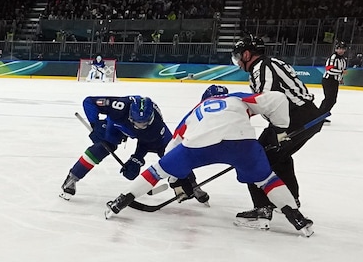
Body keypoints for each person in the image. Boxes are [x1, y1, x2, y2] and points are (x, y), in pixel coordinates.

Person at [105, 84, 311, 235]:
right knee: (266, 179)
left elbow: (172, 146)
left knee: (157, 170)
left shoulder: (194, 111)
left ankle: (120, 201)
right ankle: (297, 219)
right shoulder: (237, 98)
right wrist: (278, 129)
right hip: (242, 142)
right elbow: (278, 98)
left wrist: (177, 178)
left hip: (197, 146)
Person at [231, 37, 322, 221]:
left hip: (295, 119)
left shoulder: (263, 68)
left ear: (247, 54)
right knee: (279, 157)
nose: (238, 61)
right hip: (304, 116)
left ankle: (263, 208)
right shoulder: (268, 64)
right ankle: (291, 200)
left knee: (252, 158)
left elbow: (269, 101)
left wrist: (234, 113)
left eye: (239, 56)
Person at [61, 93, 208, 206]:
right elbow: (89, 102)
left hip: (151, 137)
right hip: (117, 126)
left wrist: (136, 159)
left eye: (144, 123)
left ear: (150, 118)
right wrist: (96, 125)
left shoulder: (155, 126)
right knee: (102, 147)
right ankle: (72, 177)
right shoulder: (119, 106)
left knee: (173, 153)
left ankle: (189, 185)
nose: (140, 125)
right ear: (130, 113)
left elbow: (145, 143)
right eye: (137, 121)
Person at [320, 44, 348, 113]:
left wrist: (340, 78)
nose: (341, 50)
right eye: (339, 48)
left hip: (335, 81)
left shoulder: (343, 60)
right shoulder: (333, 58)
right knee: (329, 99)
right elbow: (329, 70)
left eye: (342, 49)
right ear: (336, 49)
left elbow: (342, 70)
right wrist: (341, 72)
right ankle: (319, 116)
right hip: (328, 80)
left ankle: (321, 115)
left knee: (332, 100)